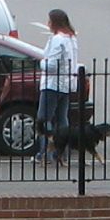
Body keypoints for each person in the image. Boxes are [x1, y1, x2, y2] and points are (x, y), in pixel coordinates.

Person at [35, 9, 78, 161]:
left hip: (52, 84)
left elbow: (51, 65)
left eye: (49, 21)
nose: (47, 23)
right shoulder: (71, 38)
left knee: (43, 119)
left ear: (55, 23)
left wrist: (41, 63)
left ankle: (44, 153)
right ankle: (60, 153)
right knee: (62, 119)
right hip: (65, 84)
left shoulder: (57, 40)